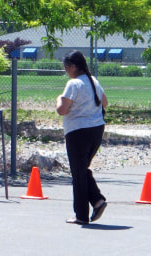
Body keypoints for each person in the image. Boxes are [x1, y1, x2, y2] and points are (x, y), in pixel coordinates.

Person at [56, 50, 108, 225]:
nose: (65, 71)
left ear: (72, 67)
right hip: (96, 129)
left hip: (78, 131)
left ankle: (81, 215)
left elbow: (62, 110)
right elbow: (105, 102)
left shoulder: (74, 84)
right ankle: (97, 201)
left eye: (66, 67)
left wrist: (58, 99)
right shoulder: (93, 81)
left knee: (78, 173)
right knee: (82, 169)